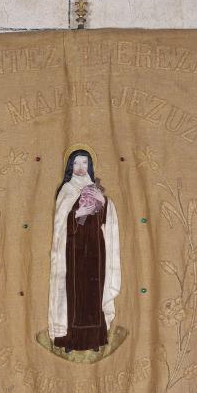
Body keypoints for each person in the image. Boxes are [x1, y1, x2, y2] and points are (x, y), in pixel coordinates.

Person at [48, 147, 121, 352]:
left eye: (84, 163)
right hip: (74, 252)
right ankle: (71, 340)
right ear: (70, 166)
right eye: (76, 163)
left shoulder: (94, 189)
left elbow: (105, 217)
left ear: (89, 166)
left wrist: (103, 203)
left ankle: (94, 340)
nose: (80, 167)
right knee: (76, 294)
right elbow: (60, 225)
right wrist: (78, 213)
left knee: (94, 294)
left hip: (96, 250)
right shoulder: (66, 190)